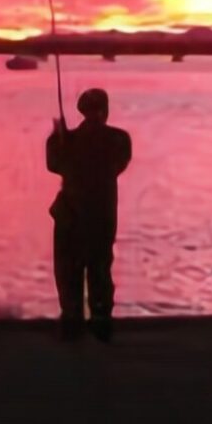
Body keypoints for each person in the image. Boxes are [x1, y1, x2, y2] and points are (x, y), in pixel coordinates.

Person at [45, 87, 132, 342]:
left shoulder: (70, 140)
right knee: (95, 270)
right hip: (96, 216)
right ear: (105, 111)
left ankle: (78, 320)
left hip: (73, 216)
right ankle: (95, 320)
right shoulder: (118, 139)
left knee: (78, 271)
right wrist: (61, 138)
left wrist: (60, 138)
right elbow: (119, 163)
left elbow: (55, 164)